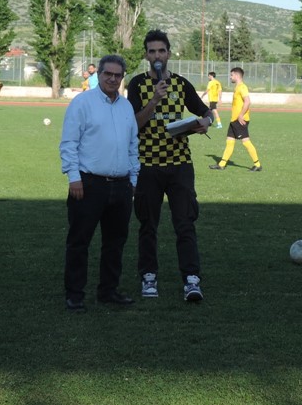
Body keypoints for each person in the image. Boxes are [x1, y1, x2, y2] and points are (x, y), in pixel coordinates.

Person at [127, 30, 213, 302]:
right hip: (147, 165)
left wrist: (205, 122)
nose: (157, 56)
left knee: (185, 223)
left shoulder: (181, 84)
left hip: (180, 165)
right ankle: (148, 277)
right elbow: (133, 124)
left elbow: (205, 111)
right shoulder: (137, 84)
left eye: (161, 51)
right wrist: (154, 99)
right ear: (146, 55)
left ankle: (191, 279)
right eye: (152, 51)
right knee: (148, 225)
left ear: (169, 54)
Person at [59, 54, 140, 312]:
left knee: (115, 243)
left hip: (121, 185)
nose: (112, 79)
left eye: (118, 75)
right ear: (99, 74)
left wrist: (133, 179)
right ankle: (74, 294)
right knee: (79, 241)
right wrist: (74, 177)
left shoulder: (126, 107)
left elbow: (133, 146)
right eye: (108, 74)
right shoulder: (82, 103)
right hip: (88, 184)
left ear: (122, 77)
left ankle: (108, 291)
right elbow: (69, 143)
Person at [210, 67, 262, 171]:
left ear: (237, 76)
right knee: (229, 141)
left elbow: (247, 101)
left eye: (231, 75)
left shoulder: (242, 87)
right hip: (234, 120)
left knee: (246, 141)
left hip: (240, 120)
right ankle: (222, 164)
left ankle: (257, 165)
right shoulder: (237, 87)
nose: (230, 77)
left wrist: (241, 115)